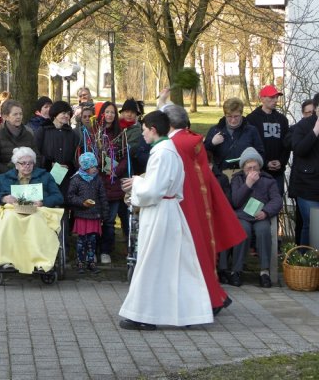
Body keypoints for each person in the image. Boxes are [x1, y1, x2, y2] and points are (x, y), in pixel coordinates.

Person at [119, 110, 212, 330]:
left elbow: (154, 190)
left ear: (153, 129)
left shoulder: (162, 153)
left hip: (160, 212)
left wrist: (136, 184)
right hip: (168, 211)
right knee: (176, 264)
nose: (142, 134)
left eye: (143, 130)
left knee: (151, 262)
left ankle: (144, 315)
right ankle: (189, 313)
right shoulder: (168, 150)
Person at [162, 101, 246, 315]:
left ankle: (207, 300)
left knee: (191, 256)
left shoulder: (175, 144)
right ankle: (210, 297)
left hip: (183, 206)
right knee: (197, 255)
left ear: (168, 124)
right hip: (197, 203)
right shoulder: (189, 139)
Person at [0, 147, 65, 274]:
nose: (27, 166)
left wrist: (43, 202)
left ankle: (40, 261)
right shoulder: (4, 178)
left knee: (35, 220)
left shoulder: (45, 176)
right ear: (16, 165)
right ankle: (8, 260)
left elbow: (58, 197)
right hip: (13, 211)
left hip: (37, 211)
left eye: (30, 163)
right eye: (23, 163)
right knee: (10, 219)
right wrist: (3, 198)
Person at [221, 147, 282, 288]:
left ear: (260, 168)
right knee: (243, 231)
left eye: (255, 167)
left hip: (260, 216)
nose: (252, 171)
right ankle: (236, 270)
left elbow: (277, 200)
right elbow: (235, 201)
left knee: (263, 231)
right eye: (249, 168)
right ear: (243, 168)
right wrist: (248, 184)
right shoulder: (237, 179)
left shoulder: (268, 180)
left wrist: (266, 212)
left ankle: (264, 271)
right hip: (242, 216)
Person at [94, 101, 128, 265]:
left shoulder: (120, 135)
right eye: (107, 112)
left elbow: (124, 158)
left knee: (109, 220)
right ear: (102, 114)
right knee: (94, 218)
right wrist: (97, 165)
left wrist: (116, 170)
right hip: (98, 182)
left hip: (113, 183)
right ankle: (92, 250)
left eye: (112, 113)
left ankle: (106, 251)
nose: (109, 115)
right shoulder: (94, 133)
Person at [66, 152, 109, 274]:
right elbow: (70, 196)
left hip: (95, 215)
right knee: (81, 241)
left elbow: (103, 197)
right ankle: (80, 262)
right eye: (91, 167)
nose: (94, 169)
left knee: (92, 240)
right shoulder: (76, 179)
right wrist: (82, 202)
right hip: (82, 215)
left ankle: (91, 262)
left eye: (95, 166)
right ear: (85, 167)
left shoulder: (98, 180)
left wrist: (104, 213)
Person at [246, 85, 290, 194]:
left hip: (277, 172)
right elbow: (249, 146)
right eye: (271, 97)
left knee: (275, 202)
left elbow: (287, 144)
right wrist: (264, 163)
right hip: (258, 171)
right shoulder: (251, 119)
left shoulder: (282, 119)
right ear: (262, 99)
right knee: (257, 204)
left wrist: (281, 161)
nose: (275, 100)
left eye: (276, 97)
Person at [204, 97, 264, 176]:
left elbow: (260, 153)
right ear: (225, 115)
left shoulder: (251, 130)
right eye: (229, 116)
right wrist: (212, 143)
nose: (233, 120)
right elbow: (203, 152)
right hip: (220, 176)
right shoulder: (215, 130)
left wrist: (252, 168)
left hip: (245, 176)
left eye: (236, 116)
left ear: (241, 114)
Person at [290, 93, 319, 246]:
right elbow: (299, 149)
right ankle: (305, 264)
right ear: (316, 109)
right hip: (308, 186)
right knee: (314, 225)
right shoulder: (304, 126)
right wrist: (315, 131)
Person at [284, 99, 314, 244]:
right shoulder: (298, 128)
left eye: (312, 112)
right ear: (303, 113)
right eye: (307, 112)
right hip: (302, 182)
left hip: (312, 181)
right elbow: (292, 145)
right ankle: (301, 257)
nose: (310, 115)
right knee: (305, 223)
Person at [35, 100, 79, 197]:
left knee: (63, 205)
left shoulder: (72, 134)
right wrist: (49, 163)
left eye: (68, 113)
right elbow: (35, 153)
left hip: (66, 177)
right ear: (55, 113)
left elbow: (75, 155)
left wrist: (69, 166)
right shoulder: (43, 130)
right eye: (63, 113)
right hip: (45, 175)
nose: (66, 116)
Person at [0, 99, 39, 174]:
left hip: (28, 178)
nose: (19, 117)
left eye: (20, 114)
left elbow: (37, 157)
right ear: (6, 117)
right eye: (15, 114)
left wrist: (28, 170)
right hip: (5, 178)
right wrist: (12, 172)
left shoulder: (28, 133)